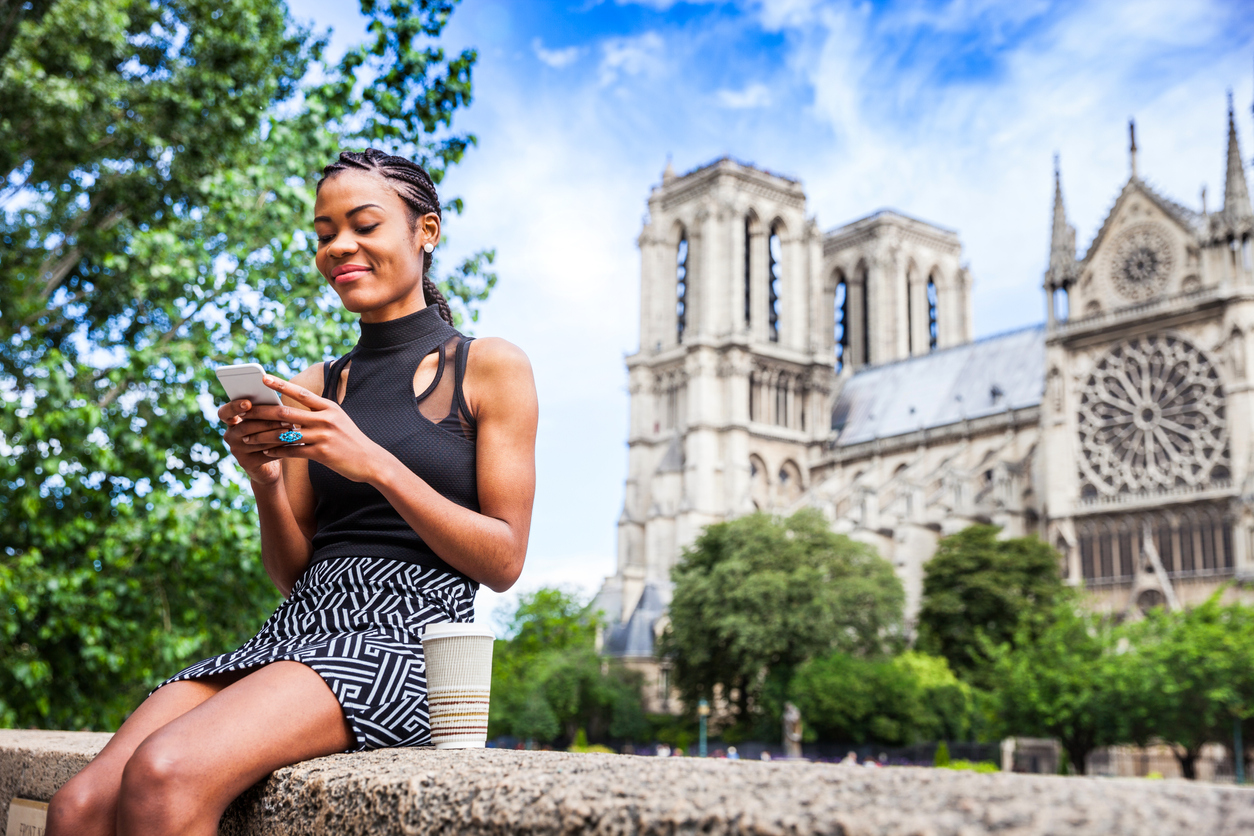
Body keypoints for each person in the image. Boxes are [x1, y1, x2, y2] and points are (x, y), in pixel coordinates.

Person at [45, 149, 539, 836]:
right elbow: (291, 574)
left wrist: (375, 464)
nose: (341, 247)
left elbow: (504, 559)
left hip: (409, 642)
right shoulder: (316, 386)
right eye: (325, 233)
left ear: (425, 232)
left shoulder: (488, 367)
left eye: (364, 225)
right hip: (298, 630)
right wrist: (265, 482)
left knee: (165, 773)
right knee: (77, 806)